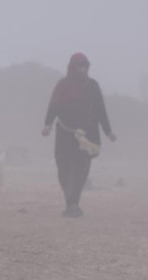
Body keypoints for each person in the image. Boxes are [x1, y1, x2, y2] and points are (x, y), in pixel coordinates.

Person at [41, 53, 116, 217]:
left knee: (81, 169)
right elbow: (53, 106)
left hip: (86, 136)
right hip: (64, 134)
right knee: (64, 167)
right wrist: (48, 124)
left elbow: (100, 109)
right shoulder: (62, 85)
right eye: (80, 66)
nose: (83, 70)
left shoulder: (93, 86)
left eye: (85, 66)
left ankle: (73, 203)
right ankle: (69, 200)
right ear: (73, 67)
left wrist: (108, 131)